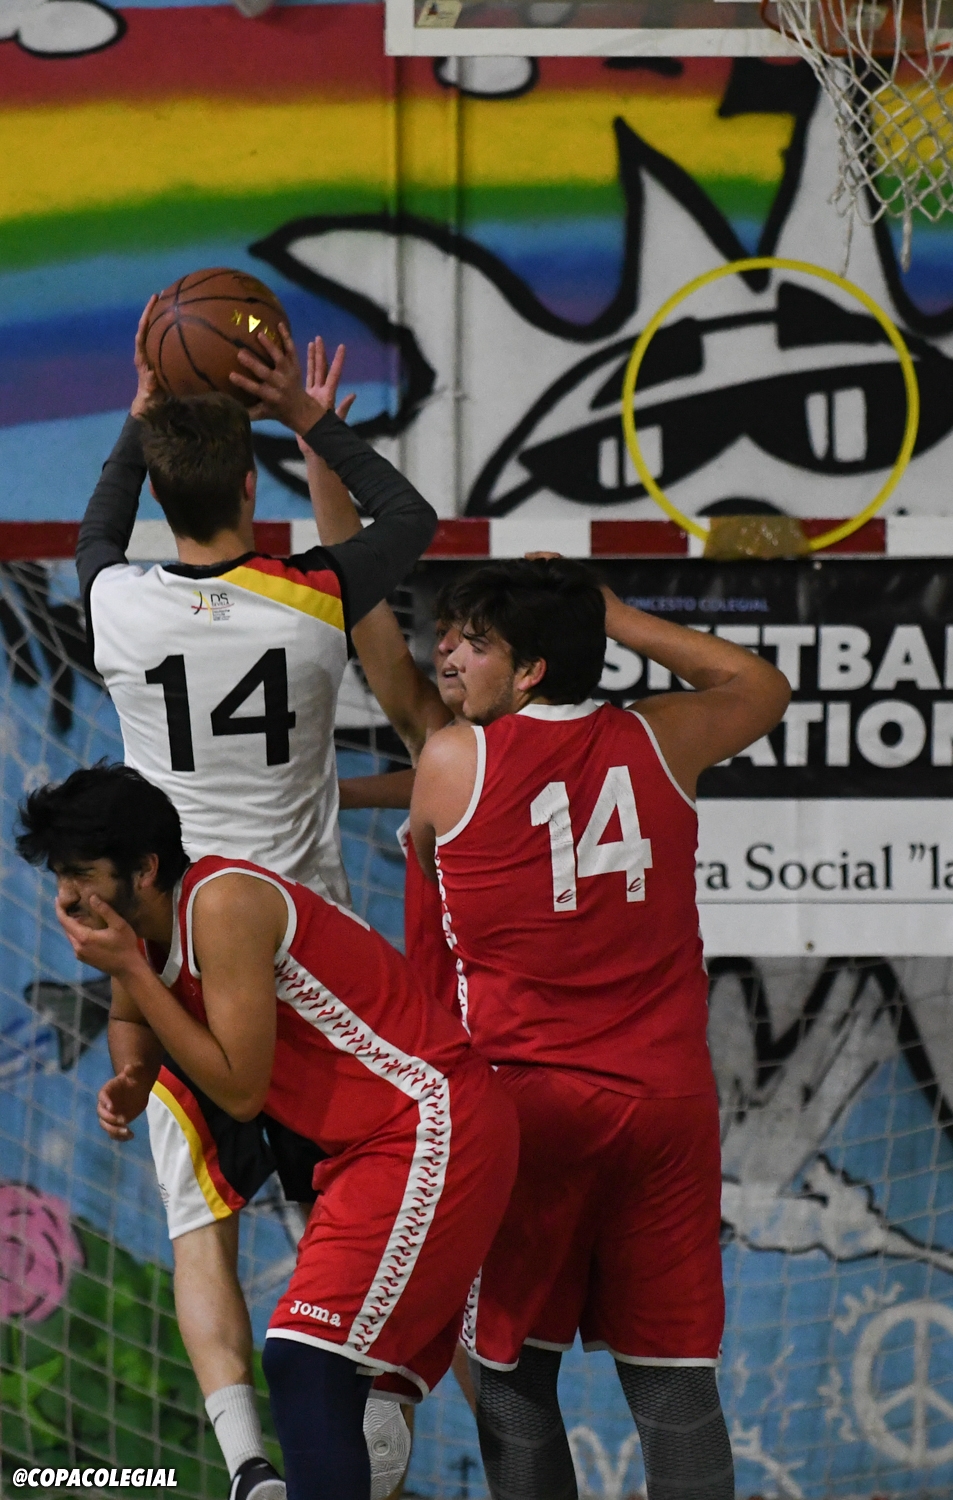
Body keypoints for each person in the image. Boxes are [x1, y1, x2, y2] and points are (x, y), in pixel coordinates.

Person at [75, 306, 438, 1499]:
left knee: (200, 1229)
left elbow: (96, 536)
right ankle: (375, 1390)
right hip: (307, 959)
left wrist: (137, 421)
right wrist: (308, 416)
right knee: (358, 1192)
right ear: (249, 481)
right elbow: (409, 523)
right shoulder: (315, 595)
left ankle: (246, 1466)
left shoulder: (117, 604)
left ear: (160, 490)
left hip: (181, 949)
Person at [16, 763, 519, 1500]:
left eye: (82, 875)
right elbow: (130, 1017)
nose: (66, 897)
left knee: (305, 1358)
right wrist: (131, 1076)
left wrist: (131, 969)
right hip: (370, 1151)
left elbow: (241, 1091)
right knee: (360, 1408)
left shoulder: (222, 904)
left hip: (430, 1122)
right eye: (61, 876)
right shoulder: (138, 932)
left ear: (145, 870)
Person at [407, 558, 791, 1500]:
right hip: (666, 1108)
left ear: (529, 669)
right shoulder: (660, 738)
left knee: (509, 1379)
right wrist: (615, 615)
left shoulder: (454, 760)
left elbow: (424, 857)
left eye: (475, 644)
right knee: (673, 1385)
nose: (449, 656)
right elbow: (760, 686)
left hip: (530, 1109)